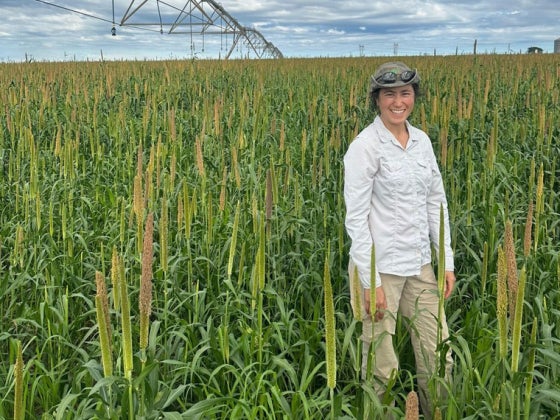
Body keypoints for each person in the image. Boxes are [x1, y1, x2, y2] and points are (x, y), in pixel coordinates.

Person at [343, 61, 455, 419]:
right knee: (381, 362)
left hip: (419, 264)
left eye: (405, 93)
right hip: (380, 270)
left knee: (439, 353)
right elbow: (356, 219)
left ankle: (438, 413)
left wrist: (446, 260)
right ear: (377, 99)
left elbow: (436, 202)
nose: (398, 102)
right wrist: (369, 280)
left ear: (414, 97)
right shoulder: (365, 147)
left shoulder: (421, 141)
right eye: (389, 94)